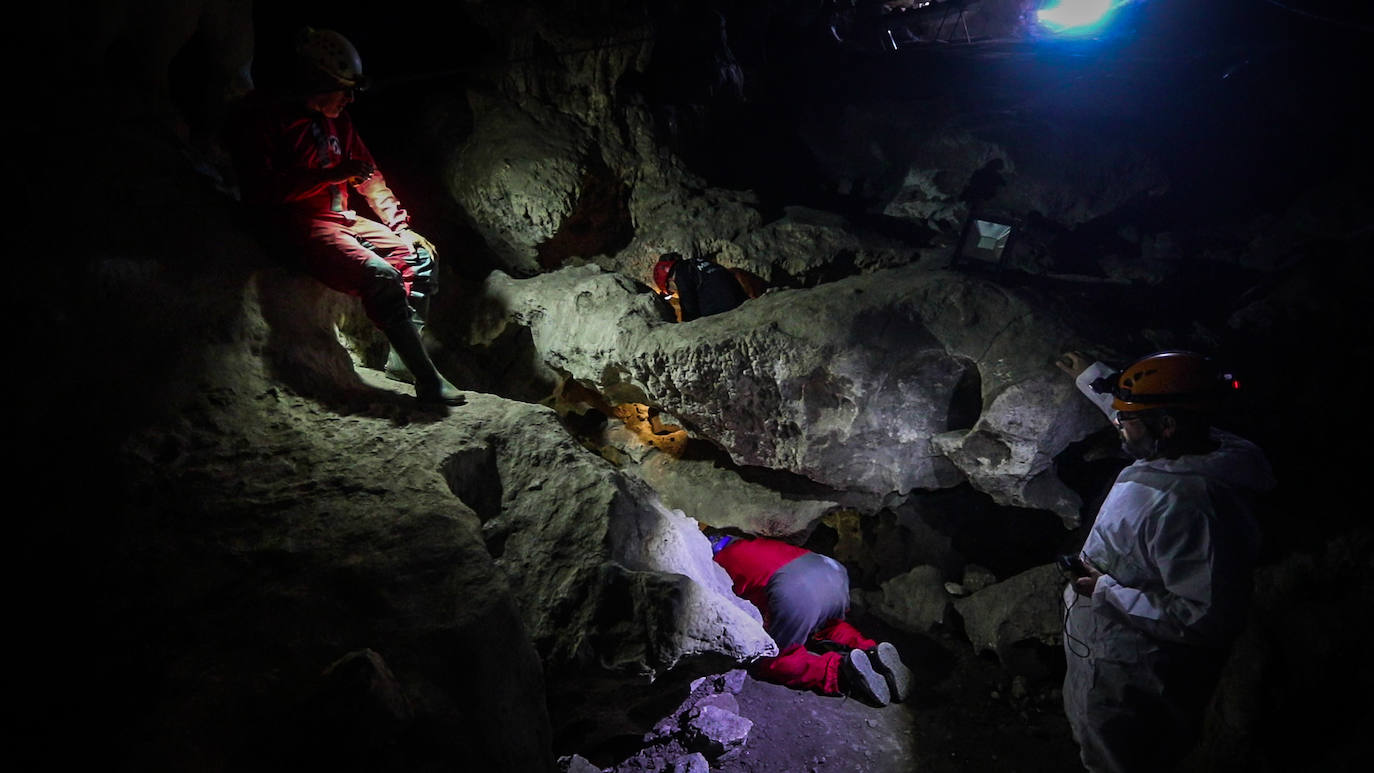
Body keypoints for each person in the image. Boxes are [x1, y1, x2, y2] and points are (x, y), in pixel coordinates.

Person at [1055, 350, 1276, 773]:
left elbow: (1205, 617)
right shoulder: (1220, 450)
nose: (1118, 424)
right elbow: (1150, 423)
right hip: (1108, 636)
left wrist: (1105, 591)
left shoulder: (1188, 506)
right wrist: (1094, 379)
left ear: (1168, 427)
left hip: (1129, 657)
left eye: (1126, 419)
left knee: (1114, 752)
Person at [229, 27, 463, 406]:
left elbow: (369, 176)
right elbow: (263, 190)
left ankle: (403, 360)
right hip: (298, 224)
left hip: (340, 217)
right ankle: (427, 380)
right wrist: (329, 176)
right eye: (342, 87)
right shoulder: (266, 118)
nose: (350, 98)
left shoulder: (337, 122)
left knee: (419, 256)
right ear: (314, 81)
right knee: (380, 275)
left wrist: (401, 226)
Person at [706, 529, 912, 706]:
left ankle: (841, 673)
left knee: (771, 661)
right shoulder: (752, 542)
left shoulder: (714, 563)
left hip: (796, 592)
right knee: (828, 625)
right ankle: (870, 651)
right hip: (831, 571)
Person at [652, 252, 748, 322]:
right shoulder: (697, 262)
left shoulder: (681, 273)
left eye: (671, 290)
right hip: (740, 301)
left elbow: (689, 308)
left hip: (724, 311)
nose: (675, 292)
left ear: (669, 281)